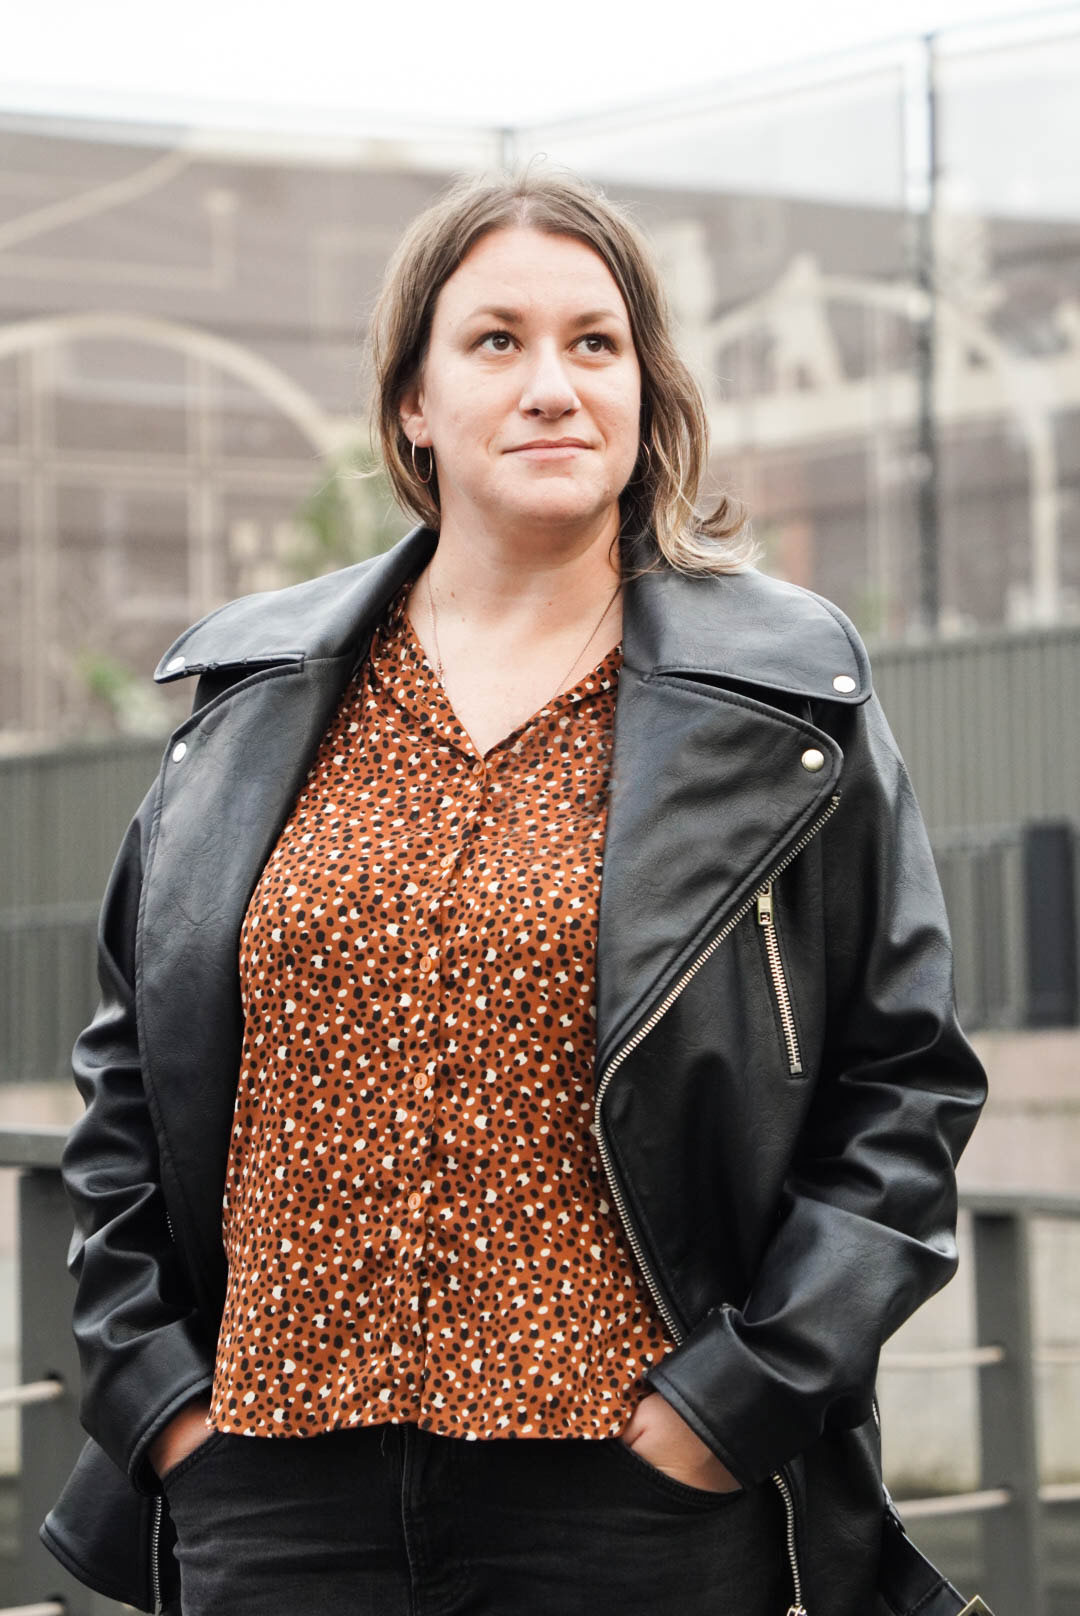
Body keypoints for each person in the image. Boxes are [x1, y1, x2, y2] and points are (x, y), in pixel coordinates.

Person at [44, 170, 986, 1616]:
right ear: (412, 403)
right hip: (270, 1494)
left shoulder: (782, 698)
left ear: (644, 392)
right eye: (497, 341)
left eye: (594, 343)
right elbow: (128, 1074)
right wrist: (160, 1399)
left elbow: (902, 1083)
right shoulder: (257, 695)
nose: (553, 384)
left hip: (630, 1499)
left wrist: (741, 1402)